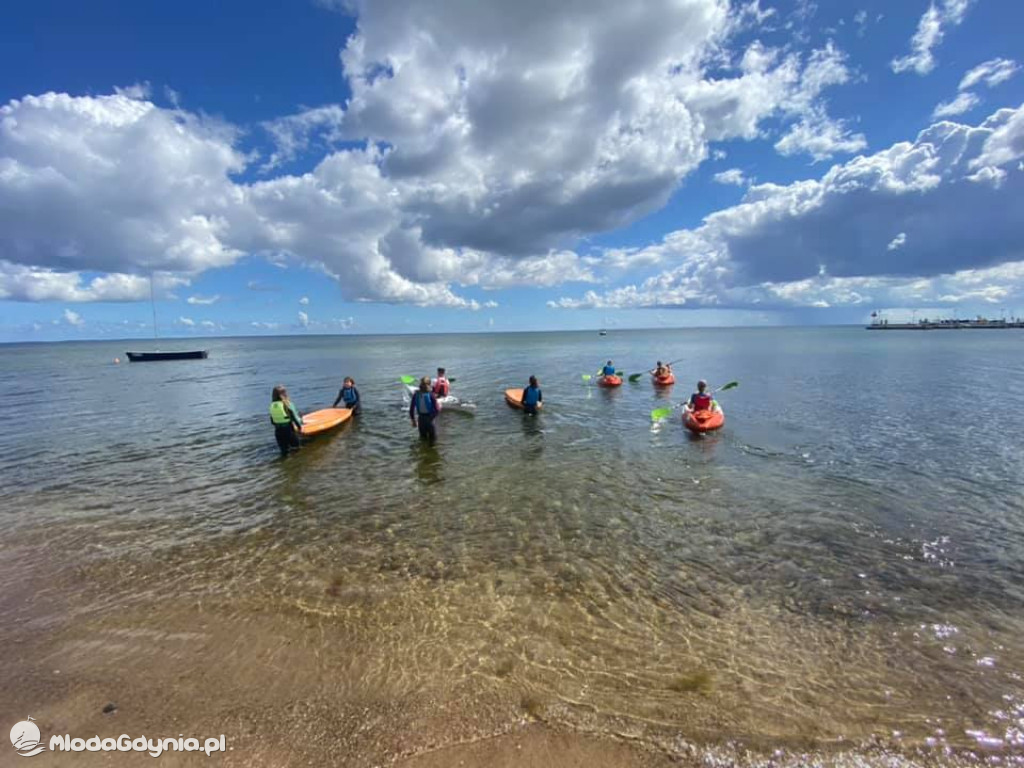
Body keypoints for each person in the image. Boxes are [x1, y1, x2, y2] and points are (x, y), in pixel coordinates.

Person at [269, 385, 303, 457]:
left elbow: (272, 421)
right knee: (297, 449)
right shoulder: (286, 404)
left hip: (278, 432)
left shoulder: (272, 405)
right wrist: (299, 428)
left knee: (284, 452)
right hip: (288, 431)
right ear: (283, 394)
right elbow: (293, 418)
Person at [409, 376, 440, 444]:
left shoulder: (416, 395)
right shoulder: (431, 394)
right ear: (429, 385)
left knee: (423, 440)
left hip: (421, 420)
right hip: (430, 419)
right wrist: (432, 417)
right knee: (433, 441)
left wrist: (413, 421)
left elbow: (411, 410)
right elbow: (437, 409)